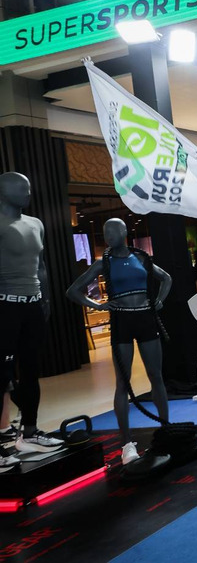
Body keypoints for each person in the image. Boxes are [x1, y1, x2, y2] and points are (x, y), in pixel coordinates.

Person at [66, 218, 172, 465]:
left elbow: (166, 278)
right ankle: (126, 444)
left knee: (156, 376)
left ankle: (166, 429)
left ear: (124, 232)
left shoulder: (141, 258)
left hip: (145, 318)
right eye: (105, 232)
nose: (108, 235)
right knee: (122, 383)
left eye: (112, 231)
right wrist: (97, 305)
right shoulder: (103, 263)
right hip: (121, 321)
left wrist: (159, 300)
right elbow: (72, 291)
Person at [0, 172, 64, 458]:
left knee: (31, 371)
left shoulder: (36, 223)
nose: (27, 193)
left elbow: (41, 267)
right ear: (3, 192)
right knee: (2, 375)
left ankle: (30, 431)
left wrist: (45, 298)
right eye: (21, 188)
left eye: (28, 188)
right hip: (6, 306)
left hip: (33, 305)